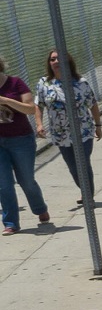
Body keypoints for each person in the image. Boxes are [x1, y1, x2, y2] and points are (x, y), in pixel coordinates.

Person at [34, 52, 102, 209]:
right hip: (60, 133)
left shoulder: (80, 83)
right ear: (49, 63)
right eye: (52, 59)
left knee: (83, 163)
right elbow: (38, 104)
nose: (56, 61)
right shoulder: (44, 83)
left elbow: (92, 104)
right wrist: (39, 124)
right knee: (73, 167)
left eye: (60, 59)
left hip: (83, 131)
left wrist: (98, 126)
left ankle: (88, 196)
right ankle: (84, 191)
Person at [0, 61, 51, 234]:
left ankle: (39, 208)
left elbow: (30, 109)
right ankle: (10, 223)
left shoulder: (15, 83)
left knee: (26, 180)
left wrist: (5, 100)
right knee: (4, 184)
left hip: (20, 139)